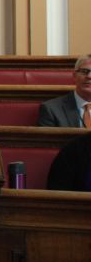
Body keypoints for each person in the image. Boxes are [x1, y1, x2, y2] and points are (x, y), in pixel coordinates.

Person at [40, 55, 91, 191]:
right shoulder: (51, 109)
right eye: (84, 71)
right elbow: (45, 151)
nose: (89, 76)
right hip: (68, 178)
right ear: (74, 75)